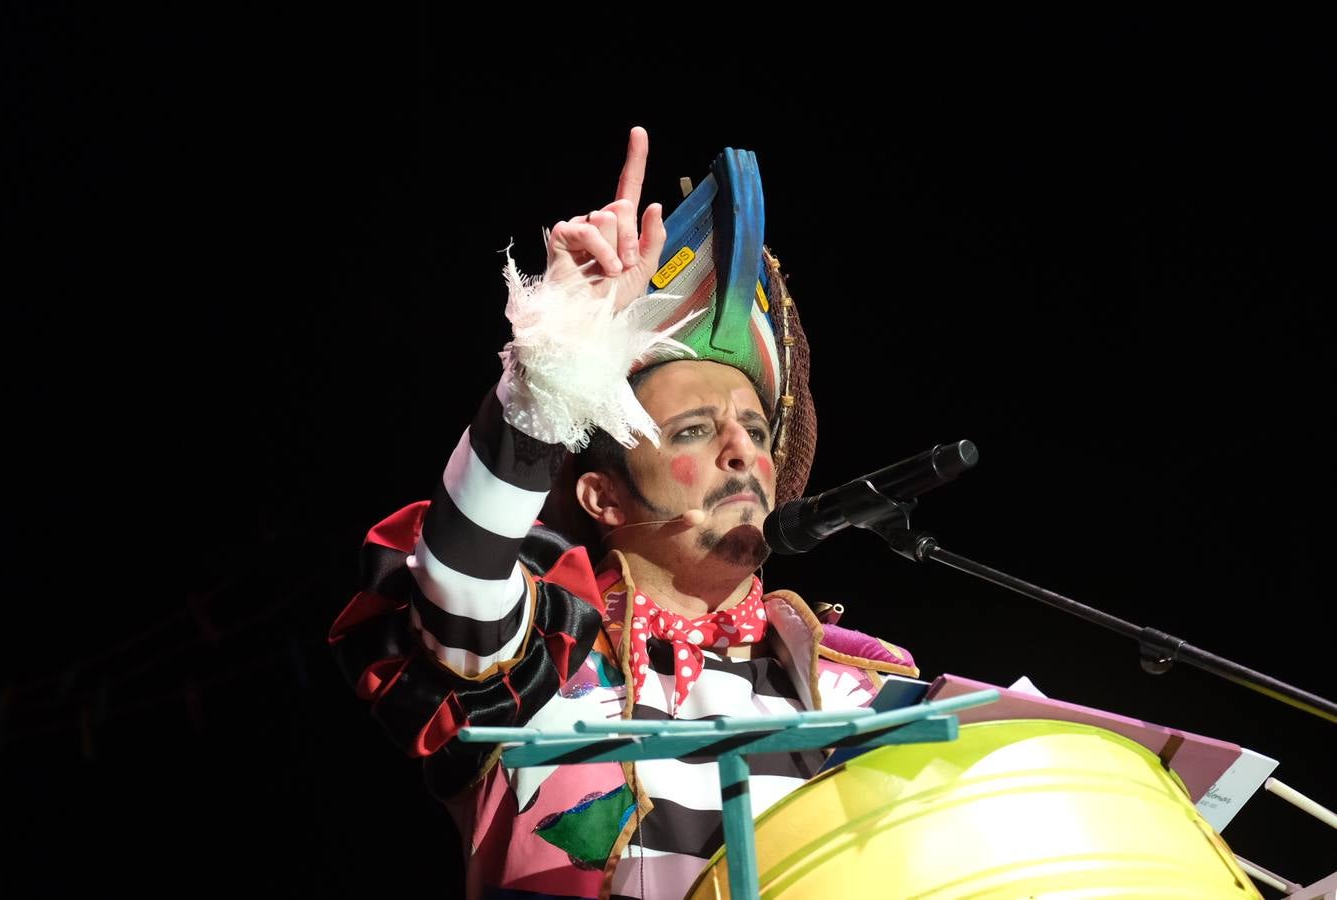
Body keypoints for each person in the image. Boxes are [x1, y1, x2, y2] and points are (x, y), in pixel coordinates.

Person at [330, 126, 919, 900]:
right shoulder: (546, 670)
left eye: (753, 428)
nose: (742, 451)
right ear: (600, 497)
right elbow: (460, 576)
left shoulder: (863, 689)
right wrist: (559, 360)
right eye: (694, 431)